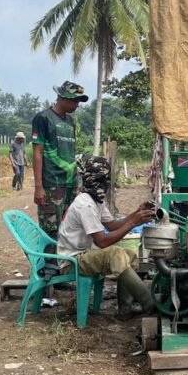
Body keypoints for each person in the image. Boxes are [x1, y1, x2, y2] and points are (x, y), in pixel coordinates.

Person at [56, 157, 156, 316]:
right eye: (104, 179)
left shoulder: (96, 201)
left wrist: (137, 213)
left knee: (129, 255)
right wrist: (132, 223)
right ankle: (150, 304)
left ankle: (126, 308)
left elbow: (112, 225)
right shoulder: (85, 205)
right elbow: (102, 242)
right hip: (72, 260)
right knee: (115, 254)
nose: (107, 184)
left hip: (84, 254)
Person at [32, 81, 88, 239]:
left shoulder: (71, 122)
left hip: (69, 183)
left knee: (68, 228)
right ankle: (49, 263)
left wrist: (77, 185)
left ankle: (64, 263)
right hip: (51, 184)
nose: (77, 105)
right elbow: (37, 152)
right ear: (62, 97)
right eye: (74, 100)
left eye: (78, 101)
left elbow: (71, 152)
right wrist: (38, 186)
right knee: (50, 230)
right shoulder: (43, 118)